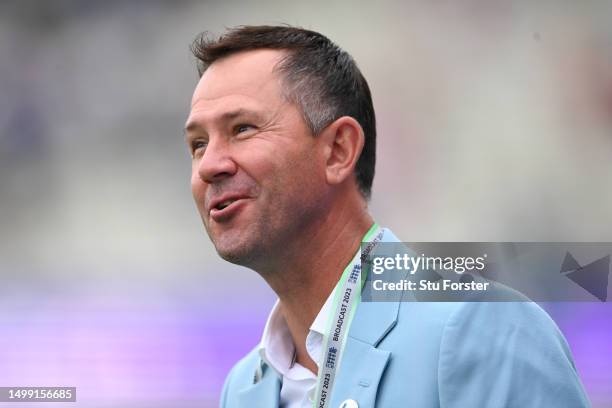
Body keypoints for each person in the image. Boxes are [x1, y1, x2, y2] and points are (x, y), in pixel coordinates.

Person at [184, 25, 590, 408]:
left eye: (242, 129)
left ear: (339, 150)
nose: (209, 165)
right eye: (198, 144)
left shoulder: (480, 326)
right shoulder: (242, 388)